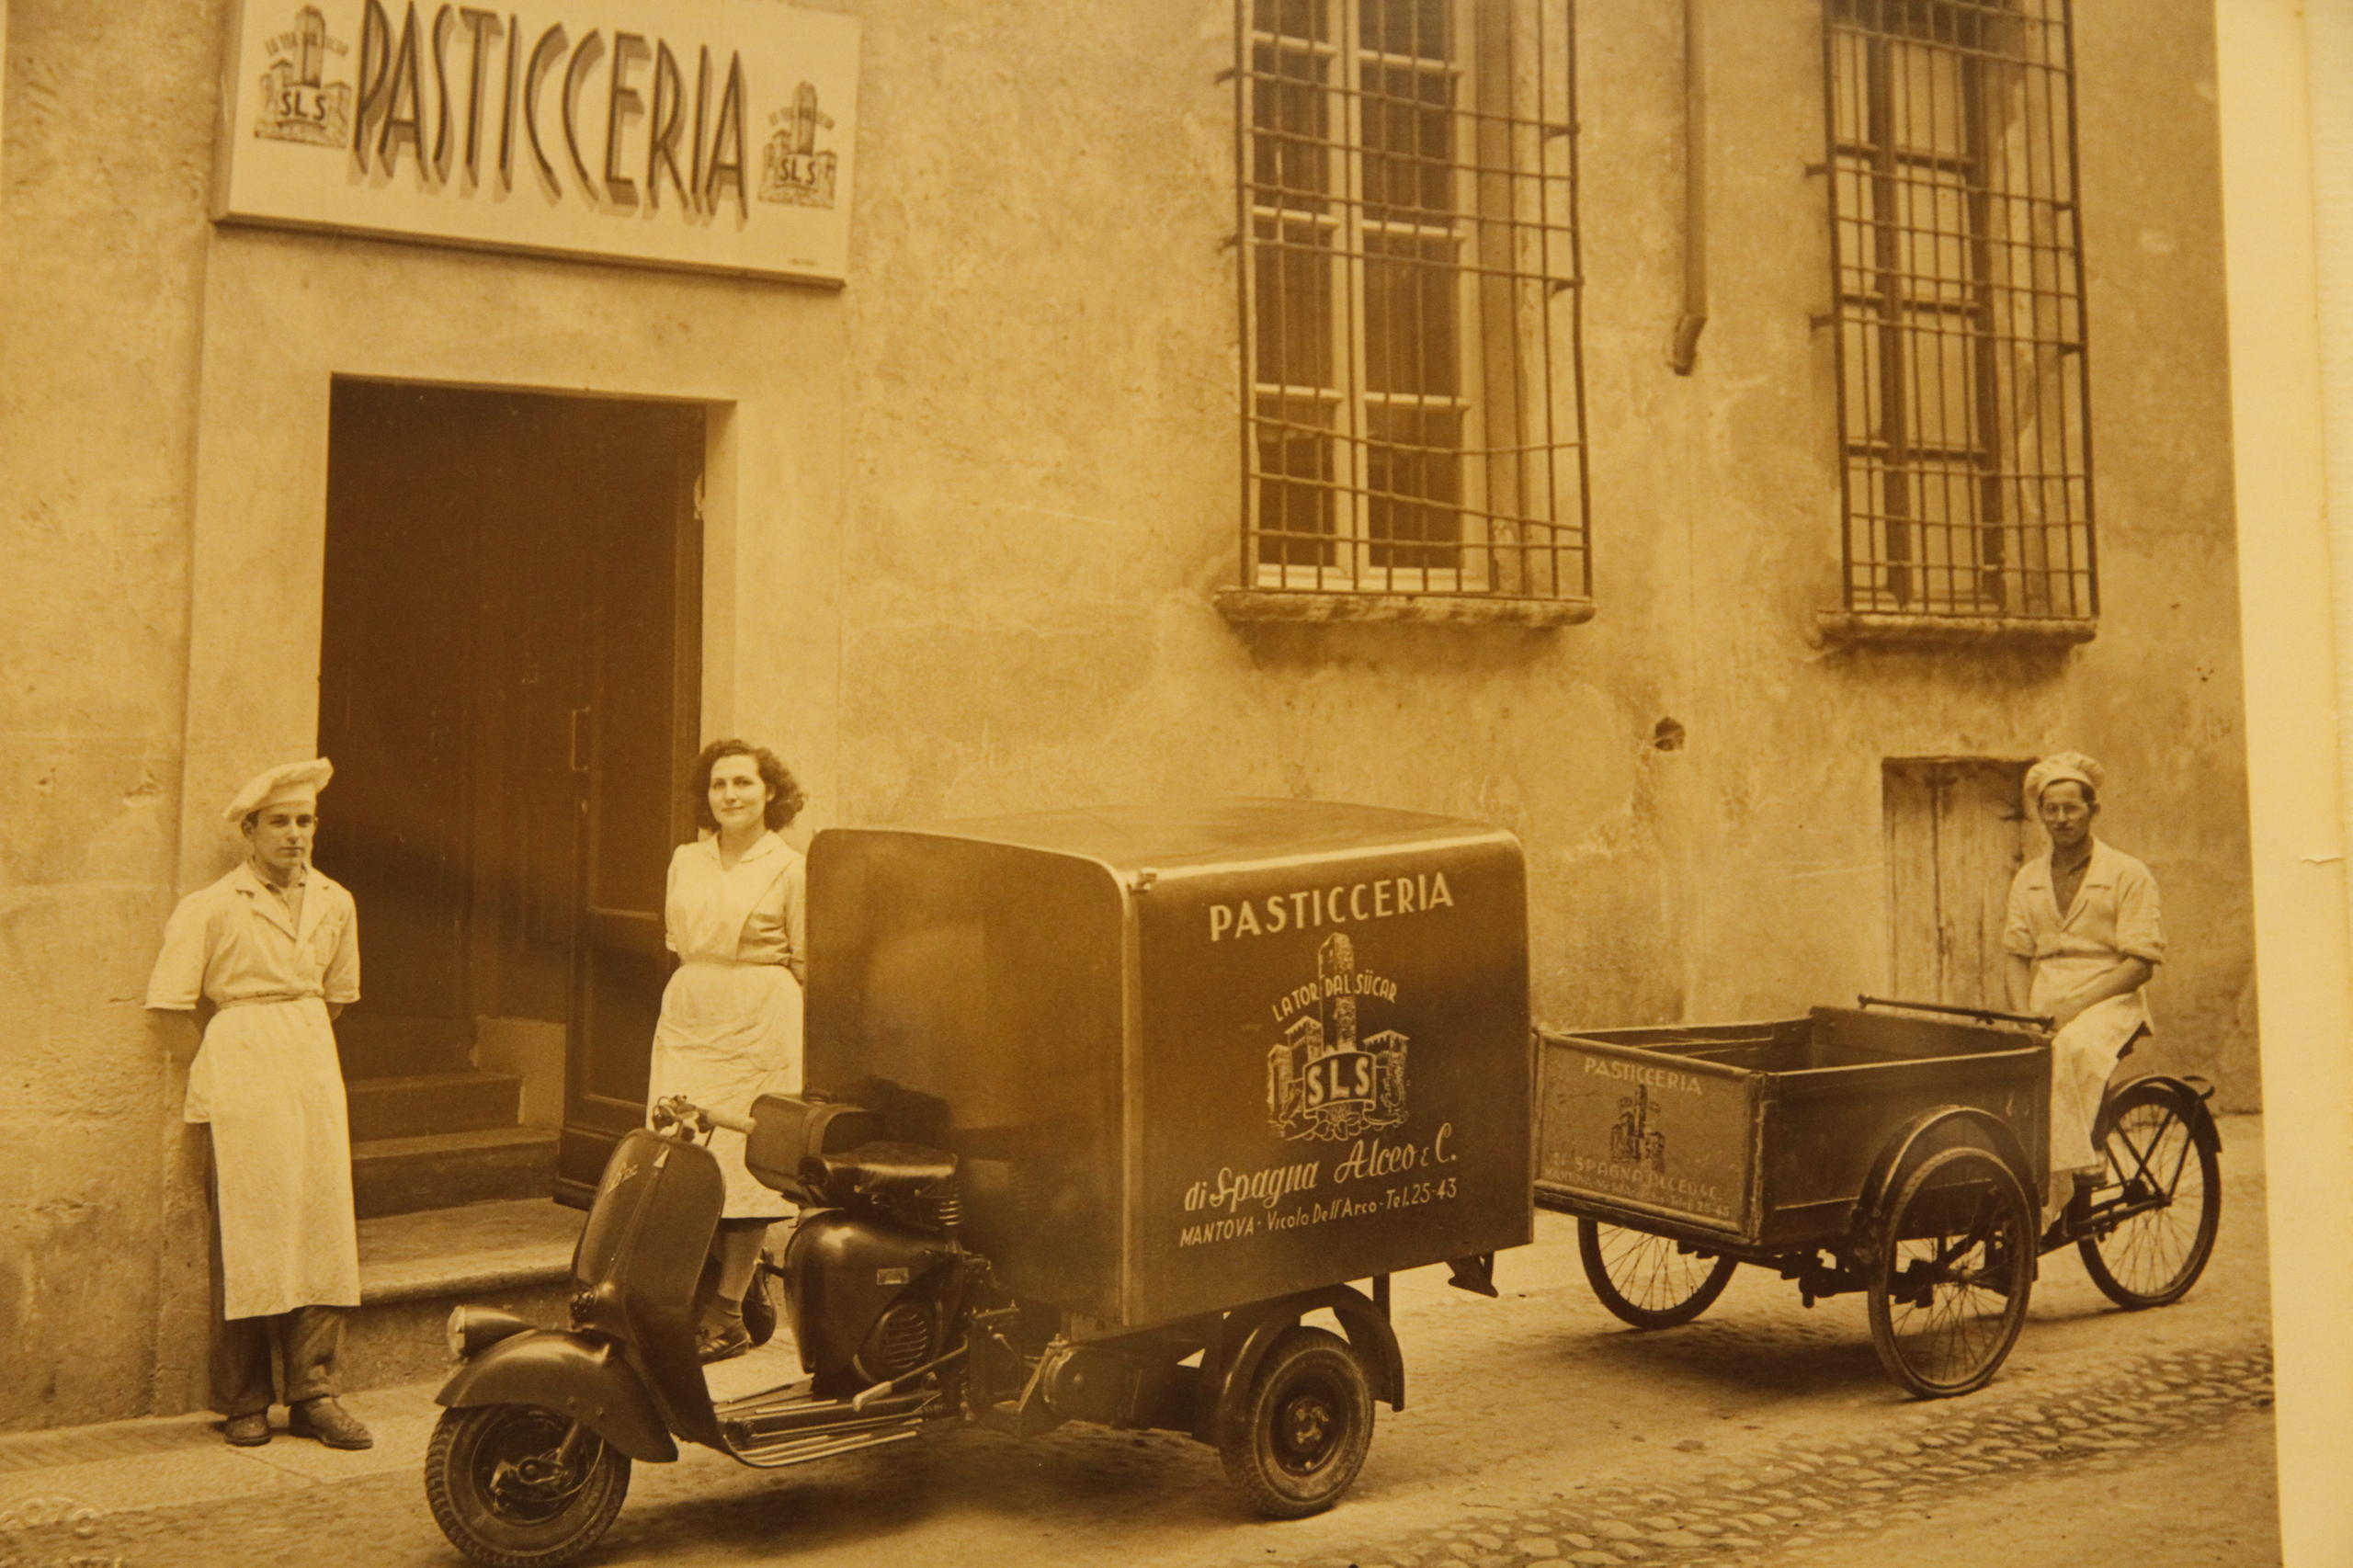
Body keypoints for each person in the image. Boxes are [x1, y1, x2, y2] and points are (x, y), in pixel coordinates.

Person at [145, 758, 372, 1449]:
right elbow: (167, 1011)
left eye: (305, 821)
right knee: (248, 1236)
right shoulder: (212, 907)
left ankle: (315, 1391)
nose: (295, 835)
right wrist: (229, 1064)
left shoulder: (336, 901)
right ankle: (242, 1398)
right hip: (241, 1073)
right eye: (279, 822)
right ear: (250, 831)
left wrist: (289, 1045)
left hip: (309, 1067)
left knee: (321, 1226)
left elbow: (335, 996)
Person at [646, 739, 809, 1362]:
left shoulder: (788, 866)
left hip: (760, 1014)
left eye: (744, 783)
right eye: (720, 785)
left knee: (747, 1162)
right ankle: (727, 1289)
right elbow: (676, 937)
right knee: (682, 1149)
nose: (731, 796)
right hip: (691, 1008)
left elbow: (805, 958)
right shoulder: (686, 859)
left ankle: (727, 1311)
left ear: (770, 792)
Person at [2002, 752, 2165, 1233]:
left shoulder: (2127, 873)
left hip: (2110, 998)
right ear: (2040, 815)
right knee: (2010, 1055)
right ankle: (2023, 1177)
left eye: (2071, 808)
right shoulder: (2029, 877)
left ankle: (2079, 1166)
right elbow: (2015, 952)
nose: (2060, 819)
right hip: (2046, 998)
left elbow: (2140, 965)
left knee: (2071, 1047)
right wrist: (2020, 1014)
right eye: (2050, 809)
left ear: (2093, 810)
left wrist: (2073, 1007)